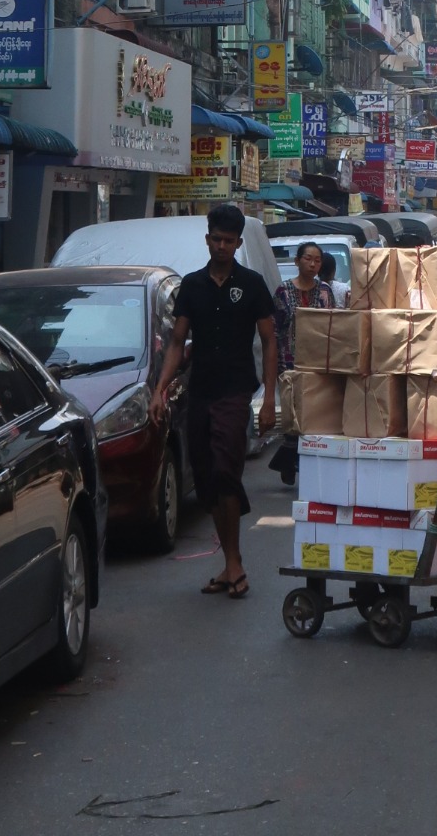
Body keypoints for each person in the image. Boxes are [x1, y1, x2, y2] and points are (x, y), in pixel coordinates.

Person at [152, 201, 277, 599]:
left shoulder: (252, 284)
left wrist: (271, 398)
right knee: (206, 475)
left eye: (228, 240)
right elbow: (176, 341)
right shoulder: (191, 286)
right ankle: (228, 563)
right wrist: (160, 389)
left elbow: (270, 341)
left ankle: (235, 562)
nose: (221, 246)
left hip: (236, 390)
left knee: (227, 467)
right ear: (207, 240)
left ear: (238, 243)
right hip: (200, 389)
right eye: (216, 239)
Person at [268, 242, 335, 487]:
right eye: (308, 259)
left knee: (316, 420)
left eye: (317, 260)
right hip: (289, 364)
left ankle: (299, 465)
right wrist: (275, 367)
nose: (313, 264)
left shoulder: (326, 292)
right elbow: (274, 332)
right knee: (293, 419)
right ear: (297, 261)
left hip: (318, 365)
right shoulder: (283, 292)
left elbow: (333, 327)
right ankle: (289, 461)